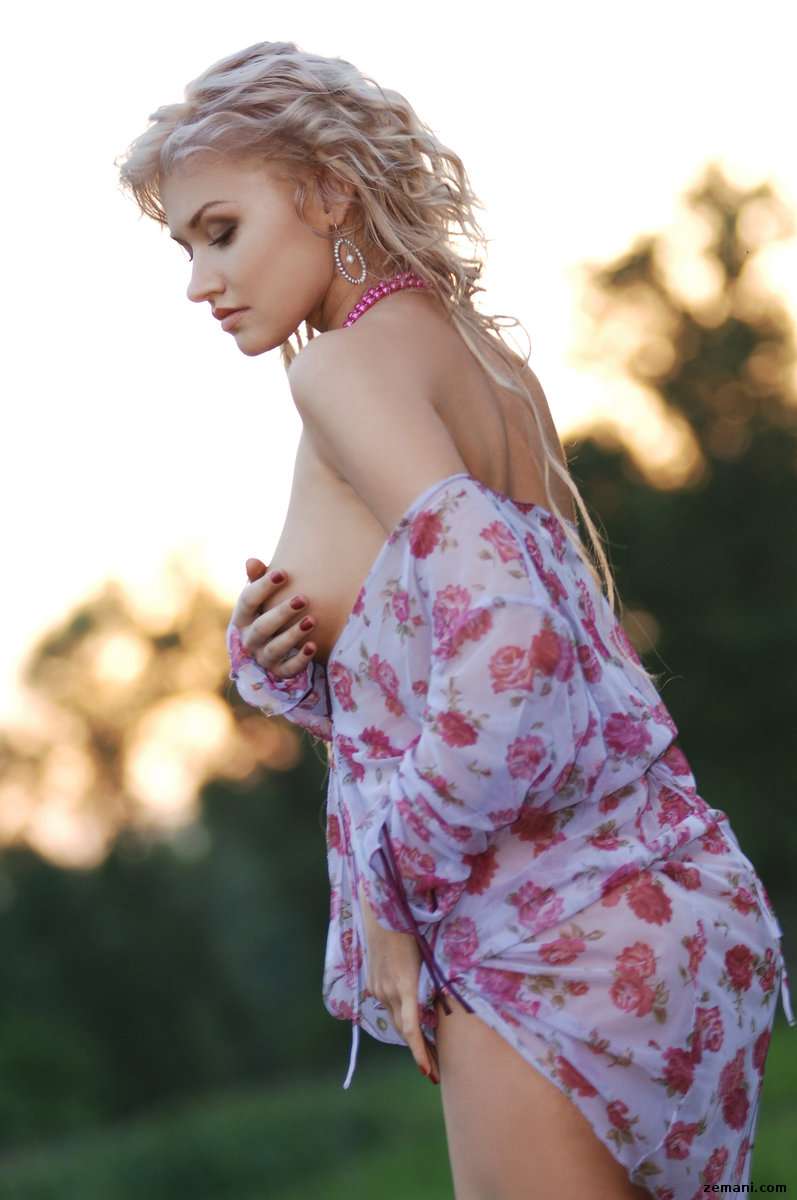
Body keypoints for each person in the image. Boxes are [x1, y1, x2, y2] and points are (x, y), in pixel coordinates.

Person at [116, 40, 794, 1199]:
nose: (198, 282)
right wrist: (290, 660)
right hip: (673, 907)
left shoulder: (338, 375)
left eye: (219, 232)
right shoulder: (485, 363)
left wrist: (389, 889)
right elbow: (507, 644)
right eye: (185, 247)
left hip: (540, 941)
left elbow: (511, 649)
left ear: (328, 190)